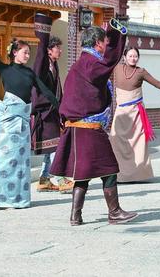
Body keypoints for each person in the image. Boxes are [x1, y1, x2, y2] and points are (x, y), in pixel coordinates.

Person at [49, 23, 138, 226]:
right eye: (105, 43)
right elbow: (110, 61)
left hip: (76, 127)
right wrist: (117, 35)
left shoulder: (80, 63)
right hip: (88, 128)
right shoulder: (91, 64)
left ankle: (75, 216)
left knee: (84, 173)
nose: (106, 47)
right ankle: (114, 212)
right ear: (98, 43)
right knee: (109, 169)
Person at [0, 15, 58, 209]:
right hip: (8, 120)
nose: (27, 55)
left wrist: (60, 107)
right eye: (24, 52)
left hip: (23, 122)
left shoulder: (30, 73)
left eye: (28, 52)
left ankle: (16, 198)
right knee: (2, 157)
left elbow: (45, 91)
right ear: (15, 52)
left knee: (19, 161)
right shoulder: (4, 70)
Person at [109, 47, 160, 183]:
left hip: (136, 114)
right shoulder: (117, 69)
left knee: (138, 144)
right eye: (130, 56)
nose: (133, 58)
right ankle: (119, 175)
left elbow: (157, 83)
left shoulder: (141, 72)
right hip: (120, 114)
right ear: (124, 57)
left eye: (135, 56)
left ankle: (138, 175)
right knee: (116, 142)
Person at [30, 13, 73, 193]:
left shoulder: (53, 65)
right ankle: (59, 179)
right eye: (57, 48)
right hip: (44, 113)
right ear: (49, 50)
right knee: (57, 146)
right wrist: (43, 34)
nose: (60, 51)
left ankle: (44, 179)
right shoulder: (42, 64)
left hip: (53, 112)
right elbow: (40, 54)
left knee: (52, 147)